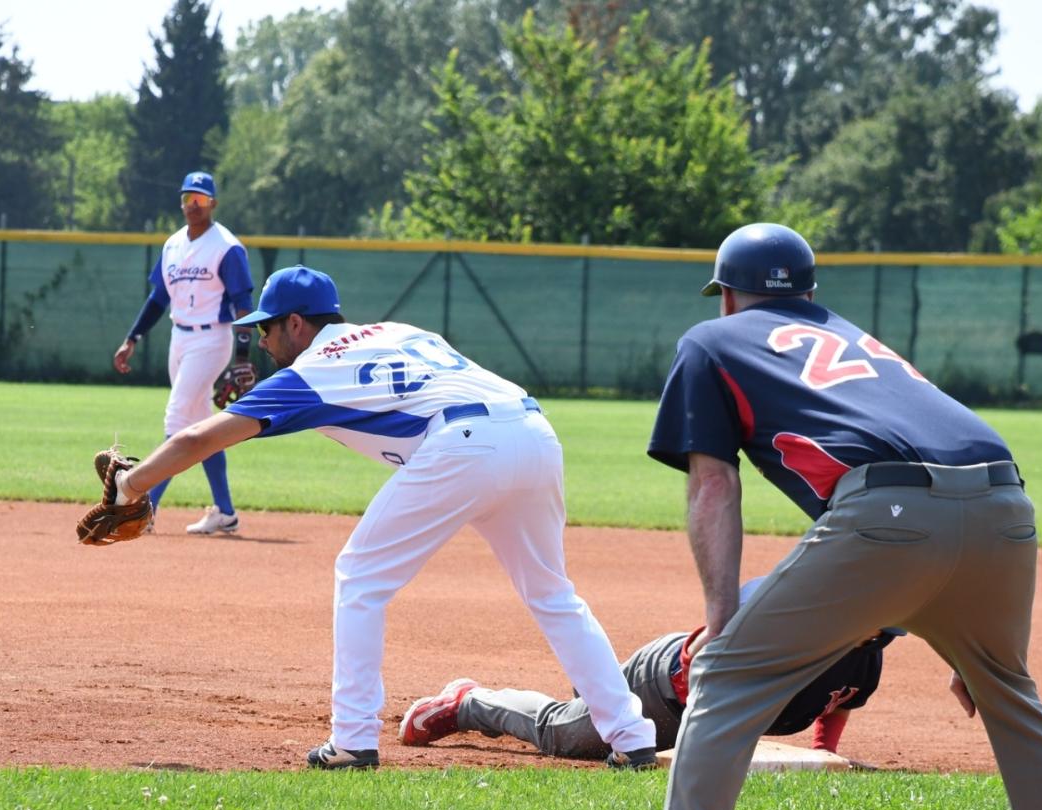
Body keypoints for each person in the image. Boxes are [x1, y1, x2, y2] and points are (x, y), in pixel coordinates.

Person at [593, 223, 1042, 810]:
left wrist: (721, 621)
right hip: (1006, 504)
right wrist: (976, 649)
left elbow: (714, 484)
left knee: (727, 672)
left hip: (892, 515)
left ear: (728, 295)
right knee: (1009, 693)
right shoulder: (858, 340)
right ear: (809, 293)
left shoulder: (712, 341)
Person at [88, 265, 659, 770]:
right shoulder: (397, 331)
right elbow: (369, 388)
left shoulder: (310, 372)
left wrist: (131, 484)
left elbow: (199, 437)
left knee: (360, 576)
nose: (260, 339)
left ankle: (353, 739)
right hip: (533, 430)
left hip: (463, 443)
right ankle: (631, 736)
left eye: (267, 327)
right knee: (553, 594)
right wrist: (261, 394)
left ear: (296, 324)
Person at [400, 577, 900, 761]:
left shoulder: (866, 655)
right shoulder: (785, 620)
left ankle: (594, 688)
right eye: (874, 627)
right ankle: (466, 702)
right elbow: (706, 653)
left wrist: (826, 758)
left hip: (687, 705)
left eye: (883, 633)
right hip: (667, 690)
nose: (877, 637)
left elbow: (842, 702)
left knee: (585, 707)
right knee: (563, 736)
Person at [112, 171, 257, 535]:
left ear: (213, 204)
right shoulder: (173, 245)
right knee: (199, 424)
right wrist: (133, 338)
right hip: (180, 338)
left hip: (212, 339)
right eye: (188, 198)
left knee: (175, 419)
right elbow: (158, 298)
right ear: (181, 202)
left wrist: (242, 356)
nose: (193, 206)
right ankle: (225, 513)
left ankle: (145, 509)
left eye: (201, 199)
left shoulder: (227, 247)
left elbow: (243, 304)